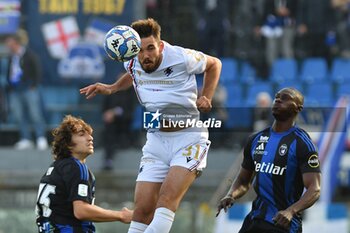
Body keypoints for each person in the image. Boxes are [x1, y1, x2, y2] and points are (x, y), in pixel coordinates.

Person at [80, 18, 222, 233]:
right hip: (156, 141)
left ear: (160, 45)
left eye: (151, 48)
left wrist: (207, 96)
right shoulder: (131, 59)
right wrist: (113, 88)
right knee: (142, 210)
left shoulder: (181, 57)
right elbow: (132, 73)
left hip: (189, 139)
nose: (145, 56)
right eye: (140, 51)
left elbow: (214, 64)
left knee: (166, 200)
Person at [217, 88, 321, 233]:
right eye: (277, 97)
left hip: (283, 224)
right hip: (254, 220)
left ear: (298, 108)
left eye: (285, 98)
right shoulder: (256, 139)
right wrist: (231, 195)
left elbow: (314, 189)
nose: (278, 100)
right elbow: (243, 181)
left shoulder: (302, 143)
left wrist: (291, 211)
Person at [35, 115, 133, 232]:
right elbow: (81, 211)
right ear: (67, 143)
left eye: (90, 134)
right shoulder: (76, 167)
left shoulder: (56, 167)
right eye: (82, 134)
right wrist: (121, 215)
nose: (90, 138)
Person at [4, 29, 48, 150]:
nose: (8, 46)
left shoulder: (30, 55)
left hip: (28, 88)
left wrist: (34, 85)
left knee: (35, 114)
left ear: (16, 43)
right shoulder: (11, 57)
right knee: (19, 115)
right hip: (15, 90)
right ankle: (26, 138)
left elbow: (38, 71)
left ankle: (40, 137)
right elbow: (10, 72)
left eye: (10, 43)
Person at [101, 86, 137, 170]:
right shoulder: (110, 93)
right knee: (109, 133)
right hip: (111, 124)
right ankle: (108, 160)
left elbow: (130, 112)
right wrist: (108, 114)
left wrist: (115, 112)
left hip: (126, 124)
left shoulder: (131, 94)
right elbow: (104, 109)